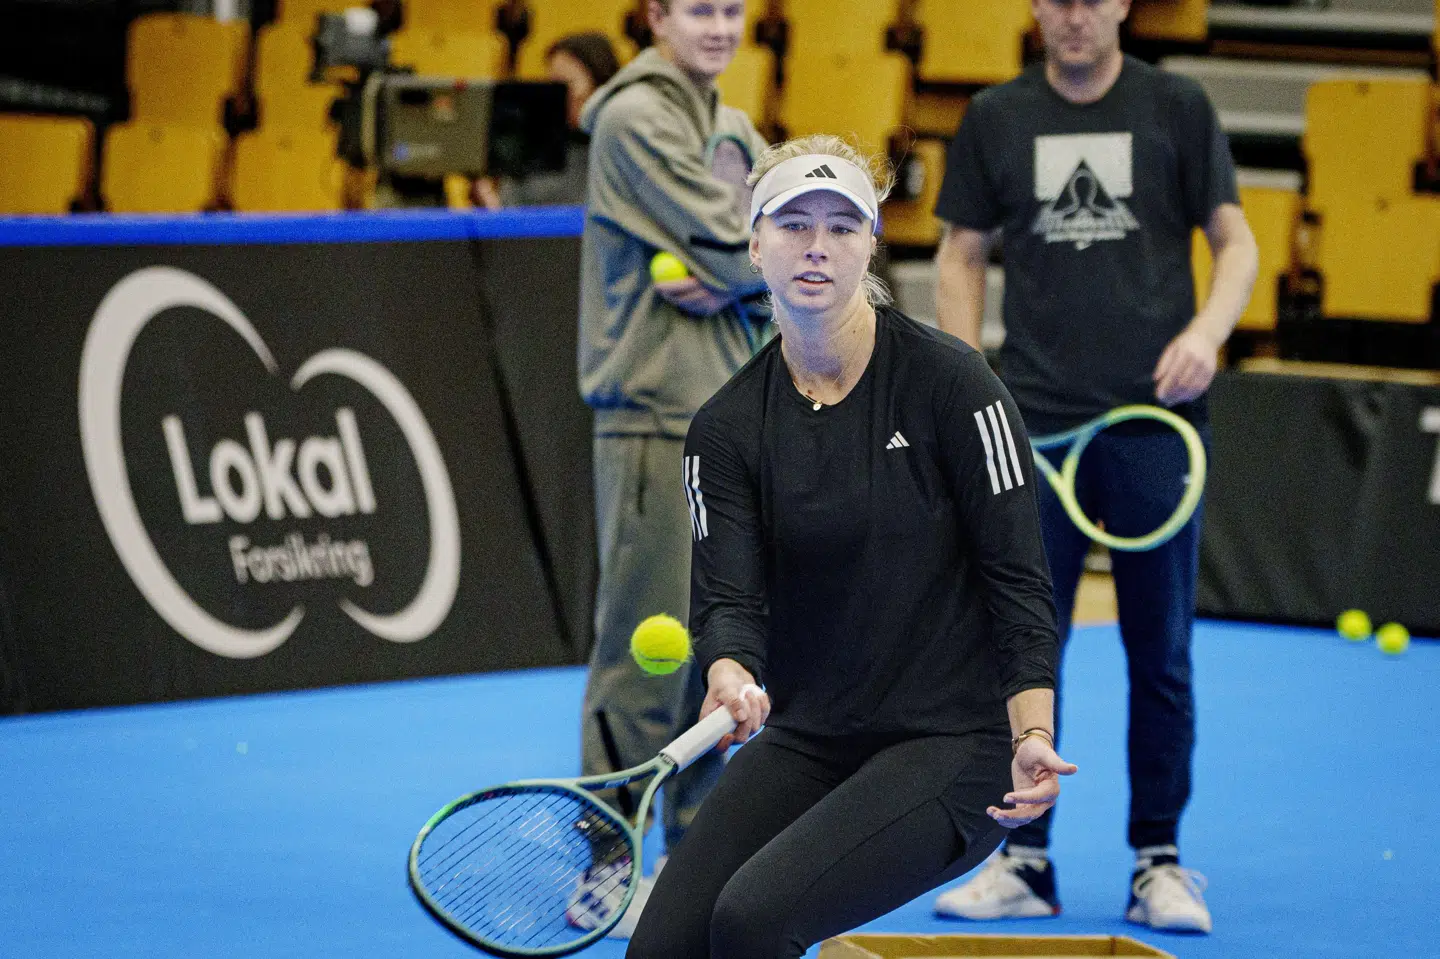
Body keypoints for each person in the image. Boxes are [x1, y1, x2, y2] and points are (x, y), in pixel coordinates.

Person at [622, 134, 1077, 959]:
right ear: (754, 243)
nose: (817, 247)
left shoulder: (958, 388)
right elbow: (727, 600)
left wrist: (1031, 734)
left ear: (872, 242)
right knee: (664, 952)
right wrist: (729, 672)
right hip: (813, 736)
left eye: (841, 225)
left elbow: (1019, 581)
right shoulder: (725, 428)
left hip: (957, 745)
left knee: (752, 919)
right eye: (794, 224)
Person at [928, 0, 1259, 935]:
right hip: (1033, 430)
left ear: (1122, 3)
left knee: (1162, 651)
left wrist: (1208, 331)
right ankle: (1024, 861)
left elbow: (1236, 241)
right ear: (1036, 7)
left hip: (1159, 427)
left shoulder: (1179, 105)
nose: (1076, 16)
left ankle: (1159, 859)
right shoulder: (995, 115)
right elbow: (959, 255)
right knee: (1026, 649)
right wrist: (968, 382)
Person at [573, 0, 769, 938]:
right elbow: (752, 246)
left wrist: (748, 269)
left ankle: (691, 869)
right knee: (643, 661)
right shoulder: (631, 119)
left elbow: (798, 247)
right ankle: (605, 864)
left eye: (734, 8)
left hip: (740, 426)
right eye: (699, 8)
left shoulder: (733, 128)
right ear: (655, 15)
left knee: (724, 663)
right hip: (654, 422)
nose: (720, 25)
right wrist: (750, 262)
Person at [473, 32, 620, 208]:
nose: (554, 98)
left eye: (565, 85)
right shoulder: (533, 148)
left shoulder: (620, 148)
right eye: (552, 85)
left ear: (600, 87)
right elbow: (509, 214)